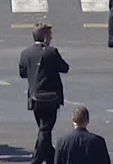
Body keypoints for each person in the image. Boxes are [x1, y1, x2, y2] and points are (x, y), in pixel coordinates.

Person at [18, 23, 69, 164]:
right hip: (51, 98)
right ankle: (37, 160)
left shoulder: (25, 53)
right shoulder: (51, 52)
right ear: (45, 37)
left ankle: (50, 158)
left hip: (34, 98)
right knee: (45, 130)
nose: (51, 38)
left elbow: (22, 73)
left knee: (43, 129)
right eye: (50, 36)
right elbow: (64, 67)